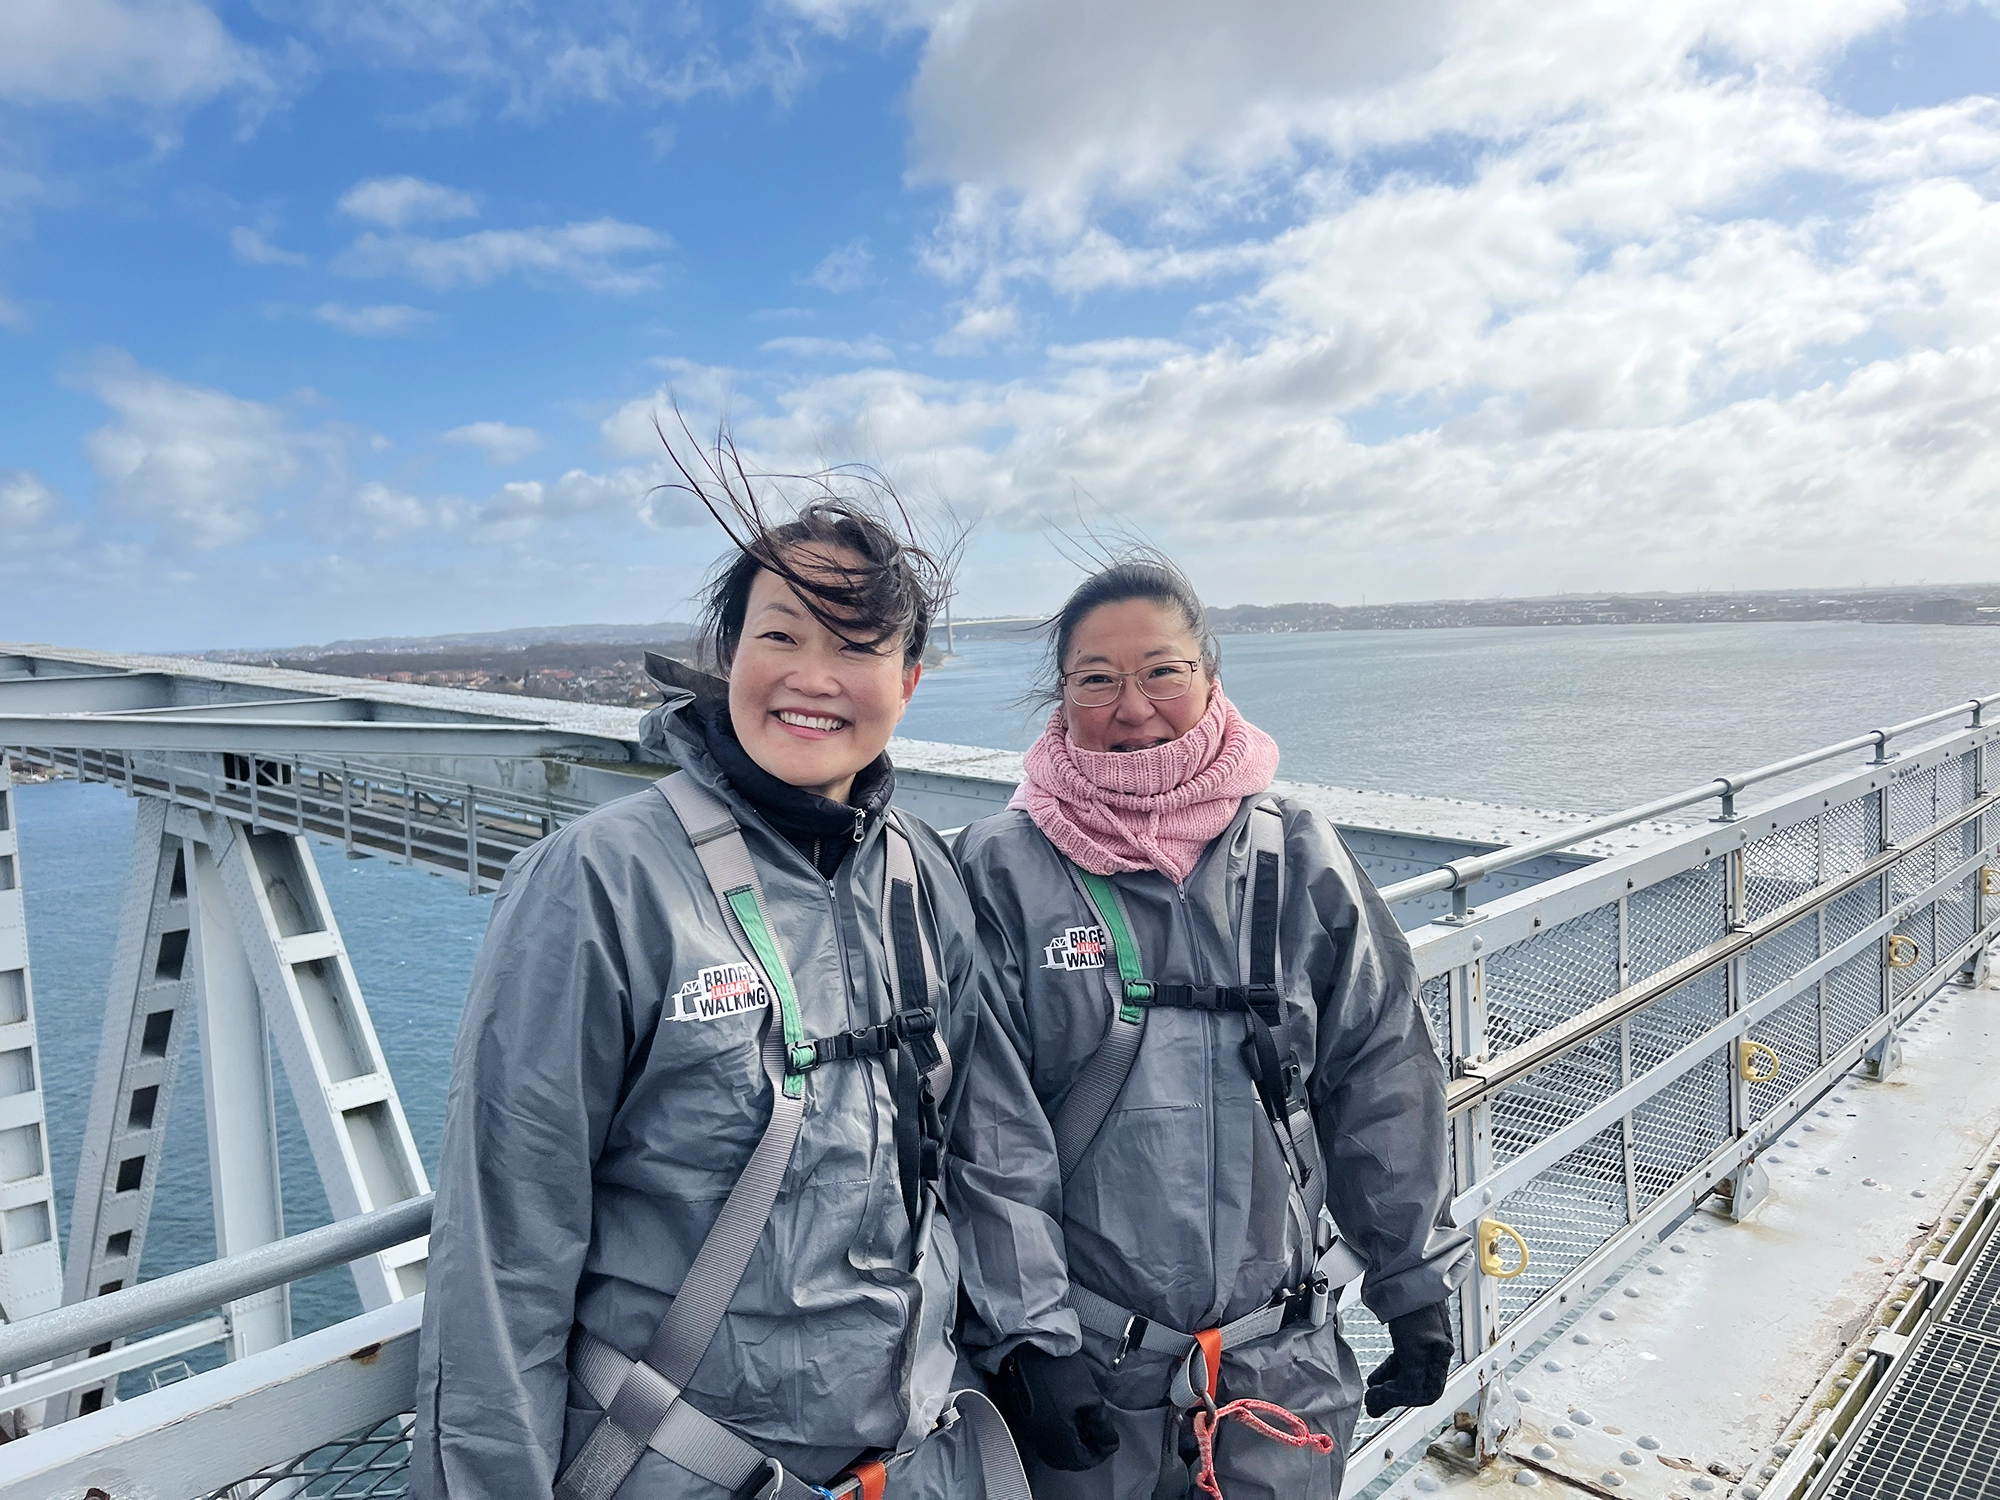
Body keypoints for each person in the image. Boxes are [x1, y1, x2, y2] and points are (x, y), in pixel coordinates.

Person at [411, 455, 1074, 1500]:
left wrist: (1035, 1330)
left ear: (907, 681)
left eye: (858, 648)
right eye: (780, 636)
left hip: (918, 1463)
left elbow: (989, 1132)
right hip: (678, 1466)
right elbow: (504, 1236)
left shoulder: (920, 873)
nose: (814, 677)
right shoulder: (598, 882)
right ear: (726, 656)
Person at [953, 555, 1470, 1500]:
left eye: (1162, 670)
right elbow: (987, 1126)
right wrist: (1029, 1342)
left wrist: (1416, 1281)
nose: (1132, 703)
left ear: (1210, 675)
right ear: (1059, 697)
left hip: (1280, 1366)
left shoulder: (1297, 849)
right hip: (1089, 1369)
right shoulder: (999, 869)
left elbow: (1381, 1065)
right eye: (1096, 678)